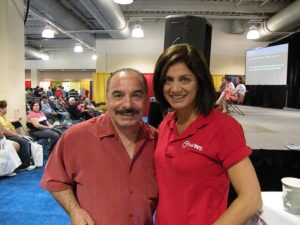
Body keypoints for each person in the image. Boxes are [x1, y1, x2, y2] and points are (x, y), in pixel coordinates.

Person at [152, 44, 262, 225]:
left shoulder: (223, 127)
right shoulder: (166, 124)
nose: (175, 88)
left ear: (200, 82)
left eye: (185, 79)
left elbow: (251, 199)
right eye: (168, 80)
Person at [40, 68, 158, 225]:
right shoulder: (76, 137)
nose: (128, 104)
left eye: (136, 95)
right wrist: (74, 210)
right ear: (106, 98)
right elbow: (56, 179)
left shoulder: (158, 141)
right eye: (118, 95)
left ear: (146, 99)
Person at [0, 100, 36, 171]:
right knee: (24, 142)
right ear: (0, 109)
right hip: (6, 136)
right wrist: (17, 135)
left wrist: (16, 120)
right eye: (5, 107)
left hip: (10, 134)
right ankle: (25, 165)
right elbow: (4, 131)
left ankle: (26, 161)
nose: (6, 109)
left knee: (27, 140)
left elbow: (8, 123)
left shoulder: (3, 117)